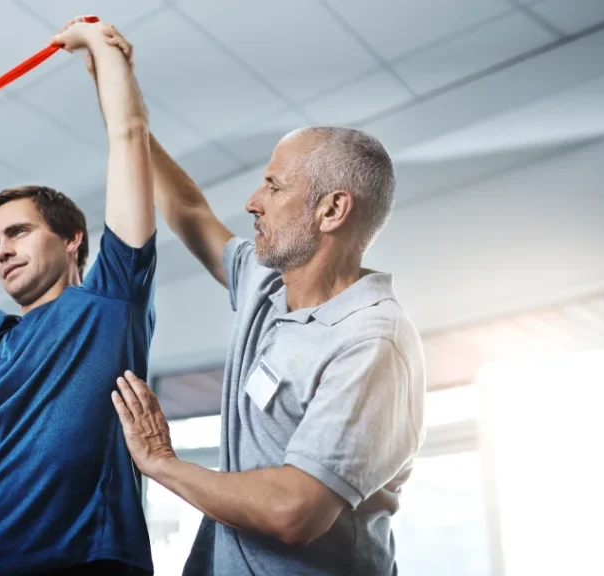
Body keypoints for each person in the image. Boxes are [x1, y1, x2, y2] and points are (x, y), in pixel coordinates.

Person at [87, 26, 426, 576]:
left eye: (274, 186)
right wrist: (124, 105)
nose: (252, 202)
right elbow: (191, 213)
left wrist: (161, 462)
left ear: (332, 210)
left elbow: (296, 510)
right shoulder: (268, 284)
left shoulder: (371, 343)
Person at [0, 18, 157, 576]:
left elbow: (128, 136)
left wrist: (98, 45)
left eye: (18, 232)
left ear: (72, 239)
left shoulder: (112, 301)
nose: (2, 250)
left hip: (79, 561)